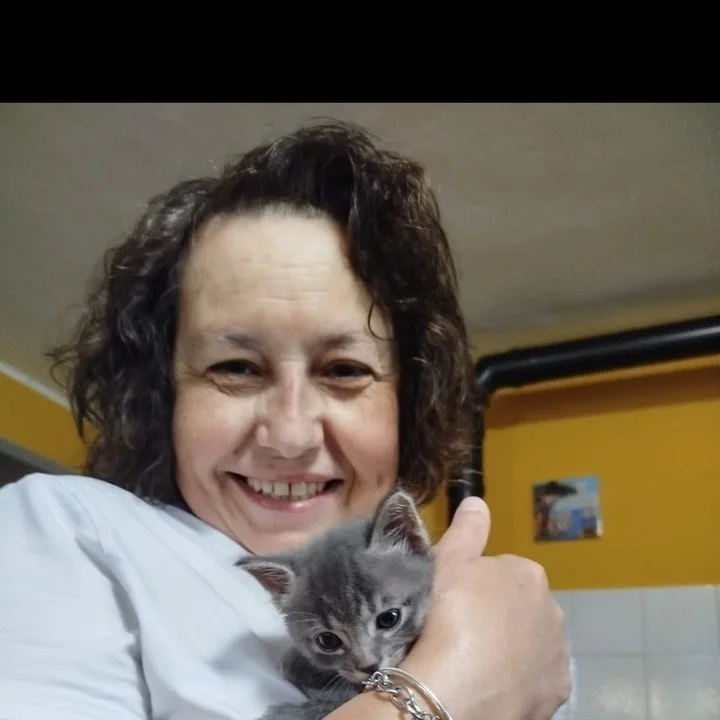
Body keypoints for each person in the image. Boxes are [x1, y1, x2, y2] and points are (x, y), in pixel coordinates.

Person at [0, 120, 571, 720]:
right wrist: (447, 690)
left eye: (345, 370)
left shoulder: (491, 614)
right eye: (237, 368)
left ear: (408, 403)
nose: (290, 436)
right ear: (162, 395)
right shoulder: (64, 528)